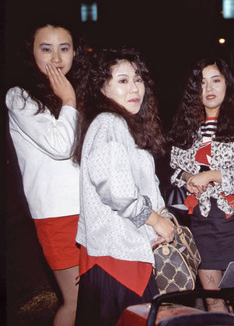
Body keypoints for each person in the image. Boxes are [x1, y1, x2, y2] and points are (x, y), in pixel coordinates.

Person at [72, 47, 175, 326]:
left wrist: (163, 215)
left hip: (129, 249)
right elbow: (116, 190)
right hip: (114, 255)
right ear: (102, 89)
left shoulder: (128, 126)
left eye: (138, 78)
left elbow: (148, 184)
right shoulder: (108, 123)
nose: (135, 87)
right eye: (123, 80)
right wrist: (156, 220)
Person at [5, 21, 89, 326]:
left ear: (75, 53)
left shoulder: (81, 90)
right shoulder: (20, 96)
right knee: (75, 300)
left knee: (97, 295)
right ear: (31, 52)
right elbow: (60, 146)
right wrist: (68, 101)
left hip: (90, 208)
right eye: (46, 48)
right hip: (56, 214)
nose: (56, 57)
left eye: (64, 48)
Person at [166, 57, 234, 312]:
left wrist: (211, 176)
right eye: (201, 83)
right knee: (212, 299)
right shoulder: (187, 125)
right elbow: (176, 168)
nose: (209, 89)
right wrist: (189, 179)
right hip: (201, 220)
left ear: (227, 85)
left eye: (215, 81)